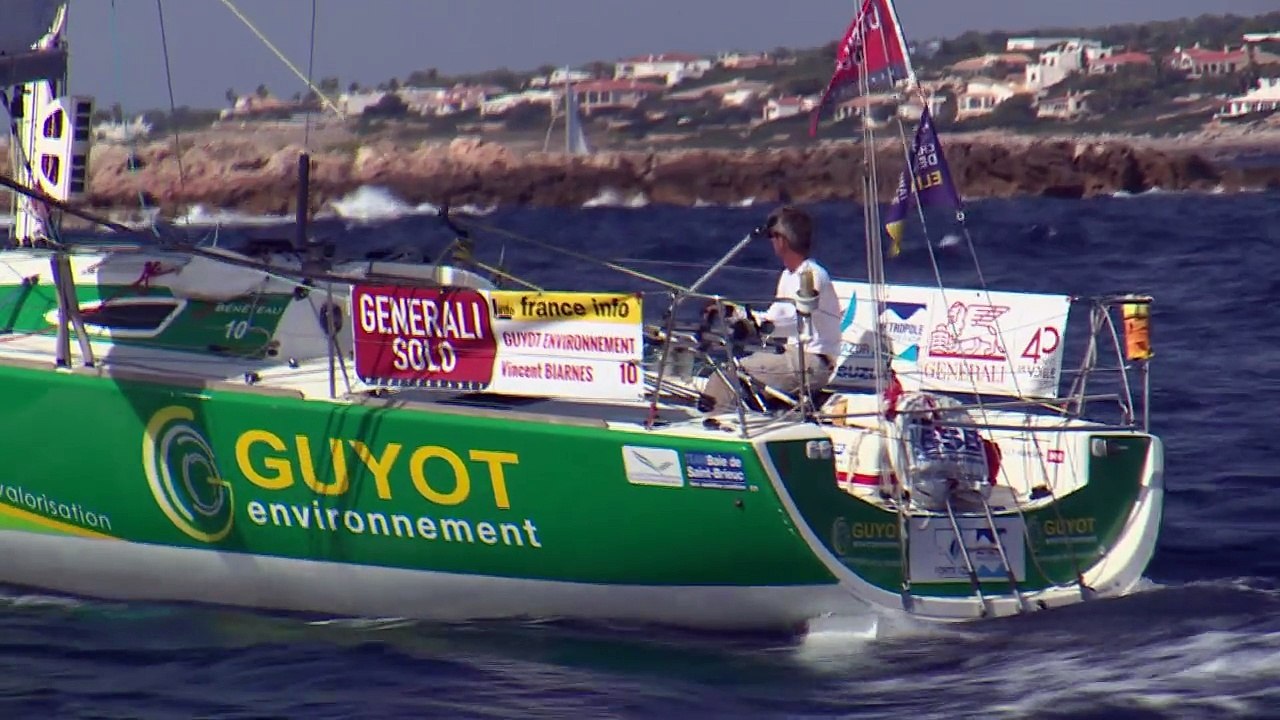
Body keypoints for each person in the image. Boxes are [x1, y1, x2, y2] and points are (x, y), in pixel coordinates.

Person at [700, 206, 843, 414]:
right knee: (731, 371)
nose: (771, 242)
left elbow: (796, 320)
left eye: (771, 237)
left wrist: (753, 326)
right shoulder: (789, 275)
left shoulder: (811, 276)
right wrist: (731, 312)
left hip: (812, 362)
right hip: (794, 355)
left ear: (781, 240)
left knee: (725, 377)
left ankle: (715, 428)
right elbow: (776, 317)